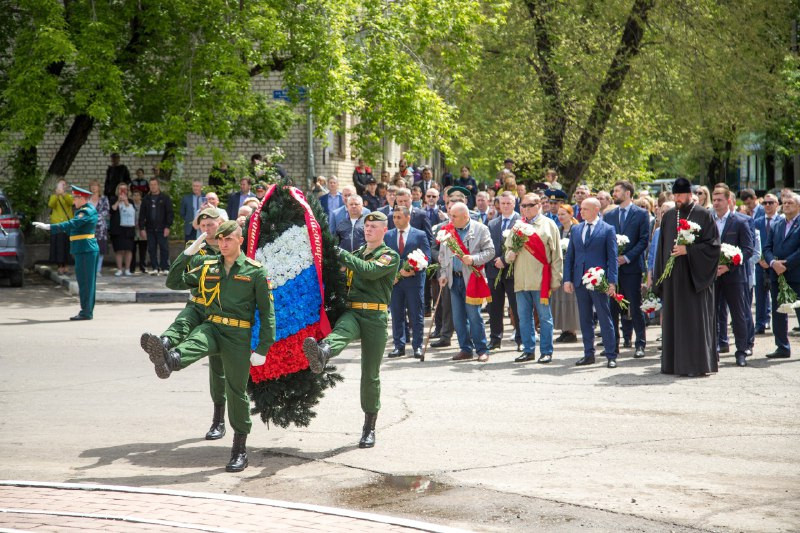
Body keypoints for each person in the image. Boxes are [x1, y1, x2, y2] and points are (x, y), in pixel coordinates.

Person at [141, 220, 275, 472]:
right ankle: (170, 360)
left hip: (238, 334)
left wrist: (263, 348)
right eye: (221, 240)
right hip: (212, 324)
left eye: (229, 240)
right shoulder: (208, 266)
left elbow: (267, 313)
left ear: (239, 241)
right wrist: (187, 253)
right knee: (196, 340)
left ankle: (239, 449)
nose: (223, 244)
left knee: (236, 391)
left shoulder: (255, 271)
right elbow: (174, 281)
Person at [302, 211, 399, 448]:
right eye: (366, 227)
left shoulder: (389, 256)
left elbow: (369, 271)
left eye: (374, 226)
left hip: (375, 316)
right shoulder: (355, 254)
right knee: (341, 331)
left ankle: (369, 427)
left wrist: (341, 253)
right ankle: (323, 352)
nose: (369, 230)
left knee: (370, 374)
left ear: (384, 230)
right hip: (353, 311)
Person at [144, 207, 225, 440]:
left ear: (220, 223)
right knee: (184, 321)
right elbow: (173, 281)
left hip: (220, 311)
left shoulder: (230, 245)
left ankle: (218, 421)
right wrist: (188, 253)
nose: (207, 229)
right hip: (198, 304)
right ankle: (163, 345)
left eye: (211, 224)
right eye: (203, 225)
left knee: (218, 371)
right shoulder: (196, 249)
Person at [654, 178, 720, 377]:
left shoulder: (703, 215)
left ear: (689, 195)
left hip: (694, 280)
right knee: (673, 322)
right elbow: (661, 249)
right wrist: (659, 277)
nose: (677, 199)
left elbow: (713, 247)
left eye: (680, 195)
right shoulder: (669, 216)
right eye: (675, 195)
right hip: (673, 280)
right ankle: (673, 364)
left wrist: (688, 250)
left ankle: (696, 365)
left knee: (693, 322)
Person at [505, 193, 562, 363]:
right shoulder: (518, 225)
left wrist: (556, 279)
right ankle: (528, 350)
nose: (525, 209)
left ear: (538, 205)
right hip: (521, 279)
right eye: (522, 206)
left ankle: (546, 351)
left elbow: (557, 255)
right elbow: (507, 252)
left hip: (541, 280)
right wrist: (510, 255)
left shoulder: (549, 225)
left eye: (529, 205)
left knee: (544, 317)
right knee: (523, 318)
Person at [563, 198, 619, 368]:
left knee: (604, 317)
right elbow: (570, 257)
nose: (581, 212)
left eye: (585, 209)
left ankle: (611, 355)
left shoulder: (607, 229)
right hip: (580, 280)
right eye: (580, 209)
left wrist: (611, 282)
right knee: (585, 319)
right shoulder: (577, 229)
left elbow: (612, 258)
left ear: (596, 209)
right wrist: (568, 279)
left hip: (599, 281)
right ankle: (589, 354)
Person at [437, 202, 494, 362]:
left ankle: (482, 349)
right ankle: (465, 349)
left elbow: (490, 251)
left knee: (474, 316)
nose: (451, 219)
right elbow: (443, 255)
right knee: (458, 318)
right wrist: (443, 273)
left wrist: (474, 259)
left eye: (454, 216)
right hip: (453, 279)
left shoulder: (480, 229)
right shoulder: (447, 230)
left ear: (465, 216)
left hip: (472, 280)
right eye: (450, 215)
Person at [33, 185, 99, 320]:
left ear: (82, 198)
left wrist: (50, 227)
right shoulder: (83, 211)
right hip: (83, 249)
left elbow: (71, 224)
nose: (73, 200)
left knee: (86, 282)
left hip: (86, 250)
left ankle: (86, 312)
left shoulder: (86, 212)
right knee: (85, 282)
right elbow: (72, 228)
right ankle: (86, 311)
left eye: (75, 197)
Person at [711, 187, 755, 367]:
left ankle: (741, 351)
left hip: (735, 277)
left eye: (719, 199)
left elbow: (748, 250)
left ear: (729, 201)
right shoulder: (708, 221)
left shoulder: (740, 221)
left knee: (738, 315)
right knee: (712, 314)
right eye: (714, 199)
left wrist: (729, 265)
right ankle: (712, 350)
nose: (715, 203)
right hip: (712, 277)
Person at [606, 180, 650, 357]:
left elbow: (643, 240)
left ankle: (640, 344)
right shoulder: (609, 215)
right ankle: (614, 345)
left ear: (627, 193)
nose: (614, 194)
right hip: (613, 270)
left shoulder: (641, 214)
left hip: (632, 268)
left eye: (617, 191)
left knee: (635, 305)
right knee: (613, 307)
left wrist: (627, 257)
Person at [385, 206, 431, 359]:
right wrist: (393, 275)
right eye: (394, 217)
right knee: (397, 314)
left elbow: (427, 257)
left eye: (399, 217)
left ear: (408, 217)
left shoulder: (420, 235)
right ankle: (399, 346)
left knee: (415, 314)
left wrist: (413, 268)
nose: (396, 220)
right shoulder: (388, 236)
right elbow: (385, 257)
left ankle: (417, 347)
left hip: (414, 281)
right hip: (395, 282)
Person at [763, 193, 800, 359]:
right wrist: (773, 263)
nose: (786, 205)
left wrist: (786, 264)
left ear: (798, 205)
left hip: (796, 274)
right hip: (777, 274)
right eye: (784, 203)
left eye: (790, 202)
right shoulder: (777, 224)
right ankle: (782, 347)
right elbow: (767, 247)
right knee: (779, 313)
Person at [486, 191, 522, 351]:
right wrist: (495, 263)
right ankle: (495, 339)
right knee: (494, 307)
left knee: (517, 307)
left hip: (513, 272)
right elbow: (488, 246)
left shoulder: (521, 222)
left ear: (514, 204)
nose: (506, 206)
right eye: (503, 203)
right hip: (494, 271)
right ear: (498, 205)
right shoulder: (492, 223)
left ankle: (521, 339)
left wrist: (504, 260)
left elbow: (520, 247)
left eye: (509, 203)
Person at [552, 205, 580, 343]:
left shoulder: (577, 229)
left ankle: (572, 330)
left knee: (571, 301)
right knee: (560, 300)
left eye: (563, 214)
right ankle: (564, 329)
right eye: (559, 214)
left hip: (573, 270)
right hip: (560, 270)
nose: (561, 217)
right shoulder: (558, 230)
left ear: (571, 214)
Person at [754, 194, 782, 334]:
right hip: (760, 264)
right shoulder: (757, 221)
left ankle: (777, 327)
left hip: (776, 264)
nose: (768, 205)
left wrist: (772, 260)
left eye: (771, 202)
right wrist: (760, 259)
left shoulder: (782, 221)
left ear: (777, 204)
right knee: (759, 295)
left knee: (776, 296)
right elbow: (753, 242)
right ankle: (760, 323)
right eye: (765, 203)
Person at [139, 177, 174, 275]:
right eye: (151, 185)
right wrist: (142, 228)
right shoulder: (146, 199)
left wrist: (168, 226)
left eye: (155, 184)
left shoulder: (165, 198)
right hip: (149, 228)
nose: (153, 186)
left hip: (162, 228)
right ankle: (155, 267)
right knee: (151, 248)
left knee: (164, 248)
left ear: (158, 185)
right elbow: (142, 215)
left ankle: (165, 268)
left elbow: (170, 213)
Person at [110, 183, 136, 276]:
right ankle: (119, 269)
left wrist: (126, 202)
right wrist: (118, 201)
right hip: (117, 229)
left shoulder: (131, 201)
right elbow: (112, 210)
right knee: (119, 250)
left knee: (128, 249)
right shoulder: (113, 199)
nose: (123, 191)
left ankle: (127, 269)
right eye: (121, 189)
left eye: (125, 189)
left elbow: (133, 213)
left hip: (128, 229)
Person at [48, 179, 73, 275]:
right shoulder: (54, 196)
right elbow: (51, 204)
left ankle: (66, 265)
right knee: (58, 246)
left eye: (64, 185)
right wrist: (57, 195)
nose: (62, 187)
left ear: (66, 187)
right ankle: (59, 266)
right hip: (57, 224)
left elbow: (71, 202)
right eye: (60, 185)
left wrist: (63, 194)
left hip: (67, 225)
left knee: (67, 246)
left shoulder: (69, 196)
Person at [88, 179, 110, 277]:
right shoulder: (86, 199)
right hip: (88, 228)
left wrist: (96, 217)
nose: (94, 187)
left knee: (100, 250)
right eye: (92, 185)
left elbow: (106, 211)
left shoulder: (104, 199)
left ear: (99, 187)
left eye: (95, 185)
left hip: (101, 228)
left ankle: (98, 270)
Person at [131, 190, 148, 273]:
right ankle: (132, 267)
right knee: (132, 250)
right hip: (133, 230)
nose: (136, 197)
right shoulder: (130, 204)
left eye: (138, 195)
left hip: (142, 230)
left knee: (143, 250)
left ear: (140, 196)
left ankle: (143, 267)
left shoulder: (144, 205)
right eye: (134, 195)